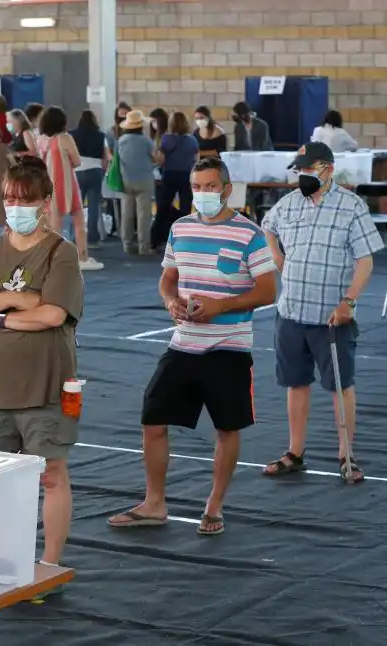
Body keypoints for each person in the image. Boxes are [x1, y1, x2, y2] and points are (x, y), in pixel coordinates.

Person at [107, 157, 277, 536]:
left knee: (227, 428)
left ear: (227, 189)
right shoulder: (180, 227)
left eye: (210, 187)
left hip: (229, 347)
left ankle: (214, 506)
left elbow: (268, 291)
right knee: (153, 419)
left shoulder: (249, 234)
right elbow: (168, 279)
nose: (202, 194)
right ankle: (154, 503)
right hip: (183, 343)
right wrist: (171, 301)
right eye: (197, 187)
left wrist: (222, 306)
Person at [0, 157, 84, 583]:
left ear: (45, 203)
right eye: (10, 199)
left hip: (48, 385)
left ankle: (50, 561)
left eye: (25, 200)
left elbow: (52, 315)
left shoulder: (61, 253)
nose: (16, 207)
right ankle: (3, 556)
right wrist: (14, 301)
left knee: (52, 473)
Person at [260, 142, 384, 483]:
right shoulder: (289, 203)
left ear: (327, 169)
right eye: (299, 169)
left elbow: (365, 260)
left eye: (308, 168)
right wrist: (276, 254)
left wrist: (349, 301)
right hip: (291, 311)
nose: (302, 175)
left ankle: (346, 455)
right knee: (295, 383)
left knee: (340, 386)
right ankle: (294, 452)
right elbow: (267, 225)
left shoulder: (351, 206)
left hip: (331, 316)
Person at [39, 106, 103, 271]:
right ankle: (82, 257)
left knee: (54, 224)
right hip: (67, 183)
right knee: (78, 220)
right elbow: (76, 161)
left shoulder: (43, 140)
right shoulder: (65, 138)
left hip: (49, 184)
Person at [153, 111, 199, 249]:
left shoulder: (166, 139)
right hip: (187, 176)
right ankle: (184, 241)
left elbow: (161, 160)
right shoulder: (192, 140)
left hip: (170, 175)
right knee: (185, 209)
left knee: (163, 207)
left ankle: (155, 238)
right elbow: (197, 161)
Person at [117, 110, 159, 255]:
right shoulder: (146, 141)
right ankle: (144, 247)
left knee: (127, 214)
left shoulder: (121, 140)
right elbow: (156, 158)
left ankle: (127, 245)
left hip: (126, 180)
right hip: (144, 181)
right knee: (143, 215)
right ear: (141, 126)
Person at [71, 110, 110, 249]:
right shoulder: (101, 135)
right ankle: (93, 239)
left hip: (78, 171)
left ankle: (75, 237)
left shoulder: (72, 135)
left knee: (77, 207)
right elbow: (106, 157)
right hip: (95, 171)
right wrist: (103, 172)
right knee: (94, 206)